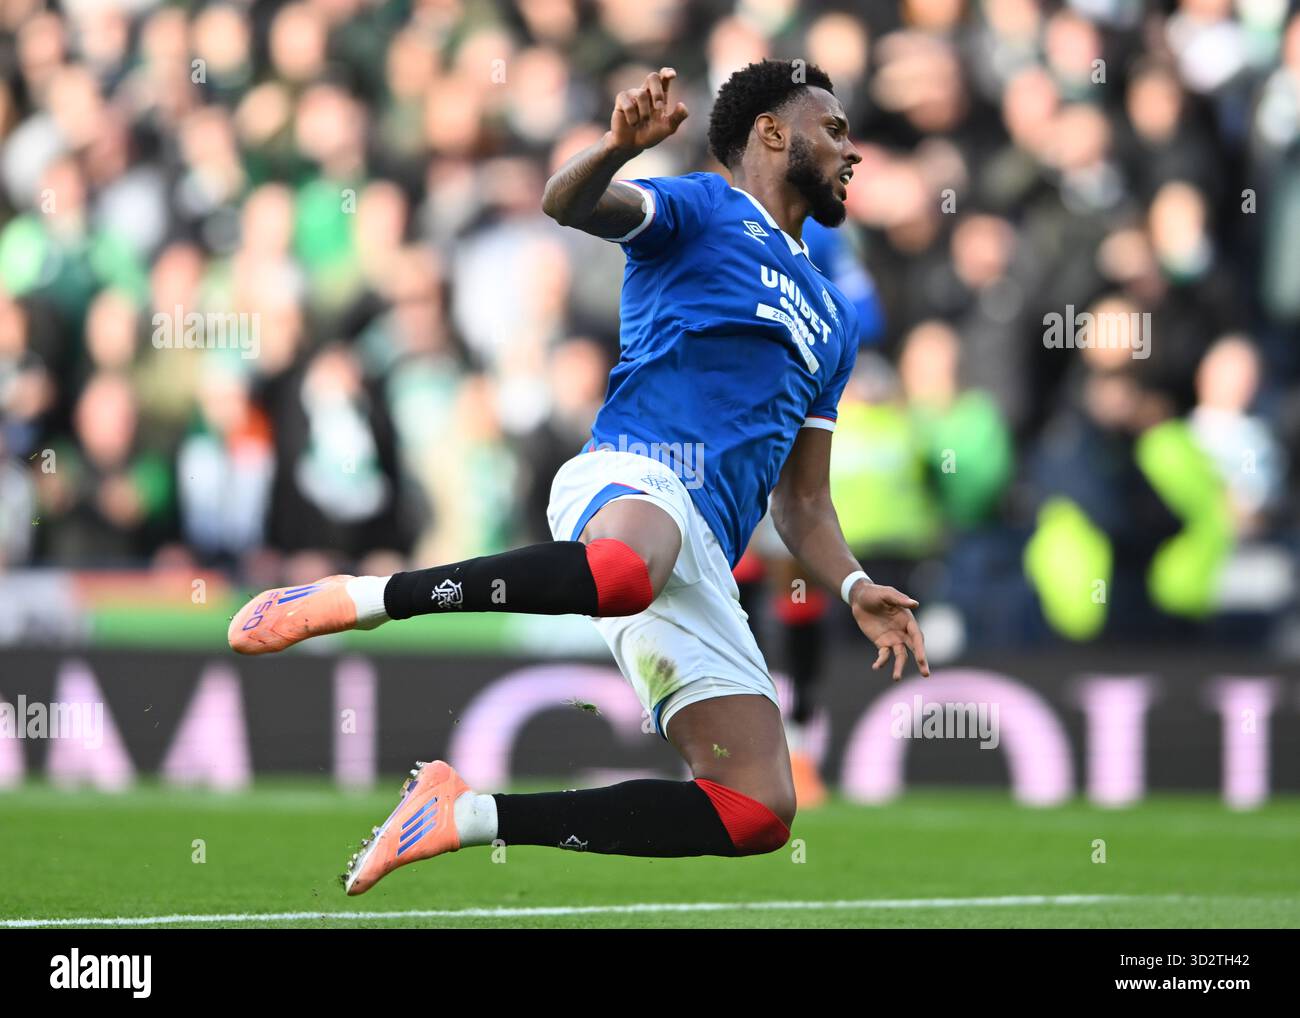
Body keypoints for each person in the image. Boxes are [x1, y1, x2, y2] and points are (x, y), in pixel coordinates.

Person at [227, 60, 929, 895]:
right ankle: (367, 598)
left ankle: (465, 815)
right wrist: (613, 148)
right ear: (773, 133)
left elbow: (803, 500)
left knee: (759, 809)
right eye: (837, 130)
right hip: (636, 473)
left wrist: (851, 586)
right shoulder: (707, 208)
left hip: (704, 547)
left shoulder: (834, 316)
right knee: (626, 571)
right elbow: (570, 205)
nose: (854, 153)